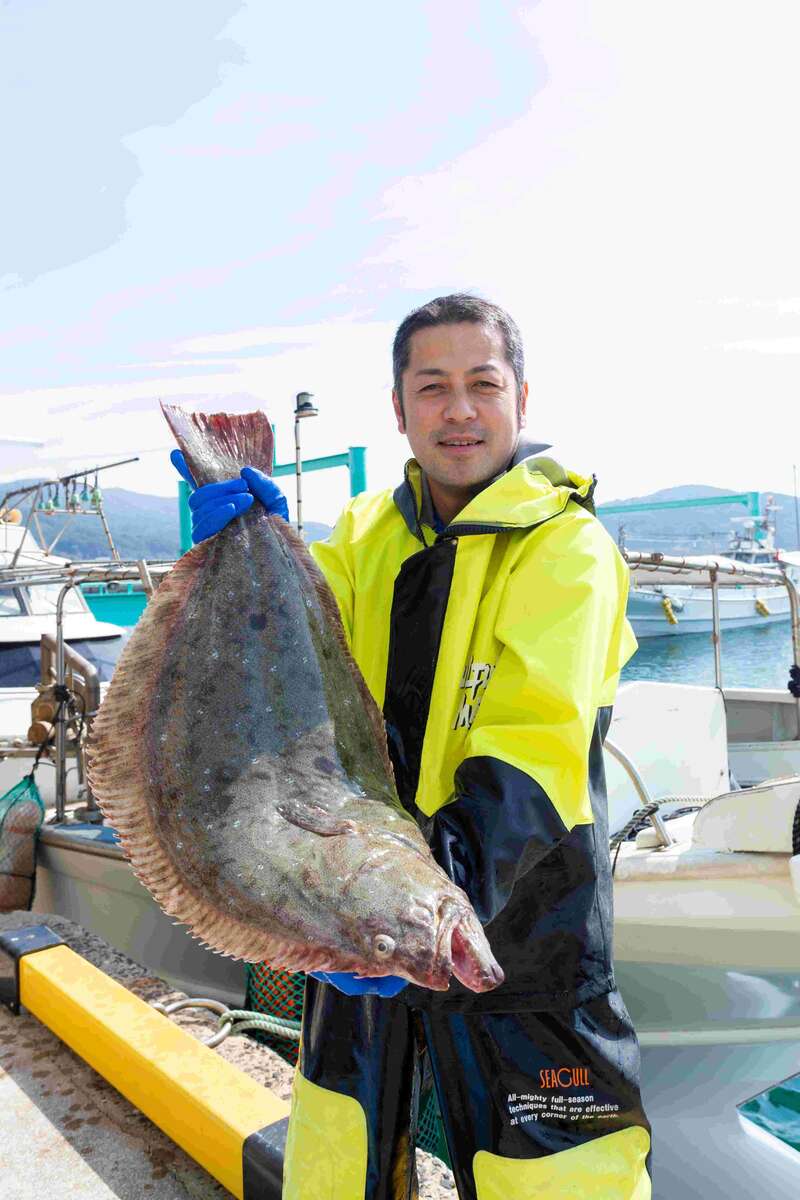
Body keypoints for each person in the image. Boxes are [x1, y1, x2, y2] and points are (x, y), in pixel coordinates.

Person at [172, 294, 652, 1199]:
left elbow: (531, 755)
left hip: (519, 940)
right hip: (360, 928)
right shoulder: (360, 537)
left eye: (482, 384)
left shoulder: (569, 553)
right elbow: (283, 667)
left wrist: (431, 915)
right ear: (400, 409)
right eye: (432, 388)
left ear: (521, 397)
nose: (459, 411)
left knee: (554, 1184)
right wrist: (244, 545)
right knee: (341, 1161)